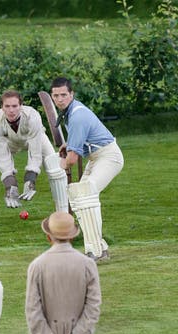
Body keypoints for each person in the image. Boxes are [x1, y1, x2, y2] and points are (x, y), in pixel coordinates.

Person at [50, 77, 124, 262]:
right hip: (96, 156)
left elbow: (73, 160)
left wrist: (62, 164)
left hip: (109, 156)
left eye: (64, 95)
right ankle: (99, 247)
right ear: (52, 96)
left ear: (71, 94)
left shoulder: (77, 116)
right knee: (78, 198)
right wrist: (69, 144)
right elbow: (84, 137)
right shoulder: (70, 111)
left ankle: (95, 251)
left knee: (85, 194)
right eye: (56, 95)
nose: (60, 99)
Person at [0, 90, 68, 229]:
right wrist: (10, 184)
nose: (11, 110)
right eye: (7, 106)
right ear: (2, 107)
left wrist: (30, 178)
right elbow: (1, 154)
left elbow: (35, 151)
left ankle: (63, 214)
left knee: (55, 166)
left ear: (21, 105)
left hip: (36, 139)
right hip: (9, 142)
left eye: (14, 106)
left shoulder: (32, 117)